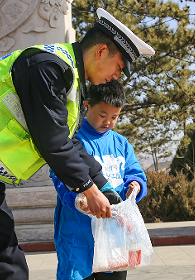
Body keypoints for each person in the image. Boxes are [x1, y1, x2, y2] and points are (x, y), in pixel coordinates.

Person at [0, 8, 154, 280]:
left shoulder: (71, 80)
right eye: (119, 68)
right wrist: (88, 189)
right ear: (101, 51)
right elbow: (51, 142)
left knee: (7, 267)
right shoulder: (48, 66)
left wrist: (104, 187)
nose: (117, 77)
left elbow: (69, 144)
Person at [51, 79, 147, 280]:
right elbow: (61, 176)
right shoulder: (72, 140)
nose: (108, 122)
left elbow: (134, 172)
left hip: (115, 235)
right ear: (86, 106)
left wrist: (135, 185)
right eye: (103, 115)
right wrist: (78, 200)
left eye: (114, 117)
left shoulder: (121, 144)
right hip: (78, 232)